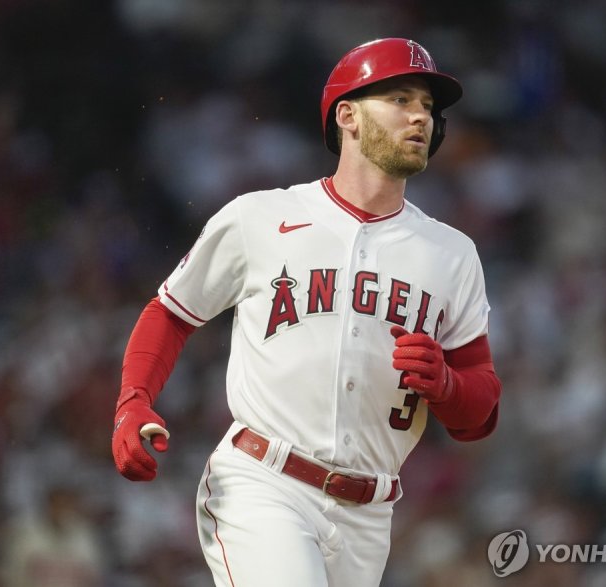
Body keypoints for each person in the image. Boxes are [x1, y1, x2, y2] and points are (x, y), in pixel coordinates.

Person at [111, 37, 501, 586]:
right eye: (401, 99)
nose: (421, 116)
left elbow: (479, 414)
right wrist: (133, 400)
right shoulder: (263, 216)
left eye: (428, 107)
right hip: (265, 484)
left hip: (369, 513)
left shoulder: (452, 253)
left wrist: (447, 385)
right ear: (348, 115)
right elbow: (173, 311)